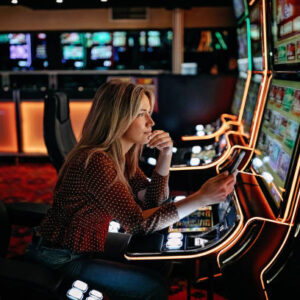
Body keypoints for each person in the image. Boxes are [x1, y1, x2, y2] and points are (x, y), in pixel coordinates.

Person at [25, 80, 236, 300]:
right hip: (61, 256)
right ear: (118, 119)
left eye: (149, 113)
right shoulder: (96, 161)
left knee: (157, 257)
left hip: (88, 241)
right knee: (152, 288)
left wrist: (166, 156)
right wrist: (201, 198)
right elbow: (138, 223)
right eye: (141, 114)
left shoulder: (122, 156)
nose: (151, 122)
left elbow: (153, 202)